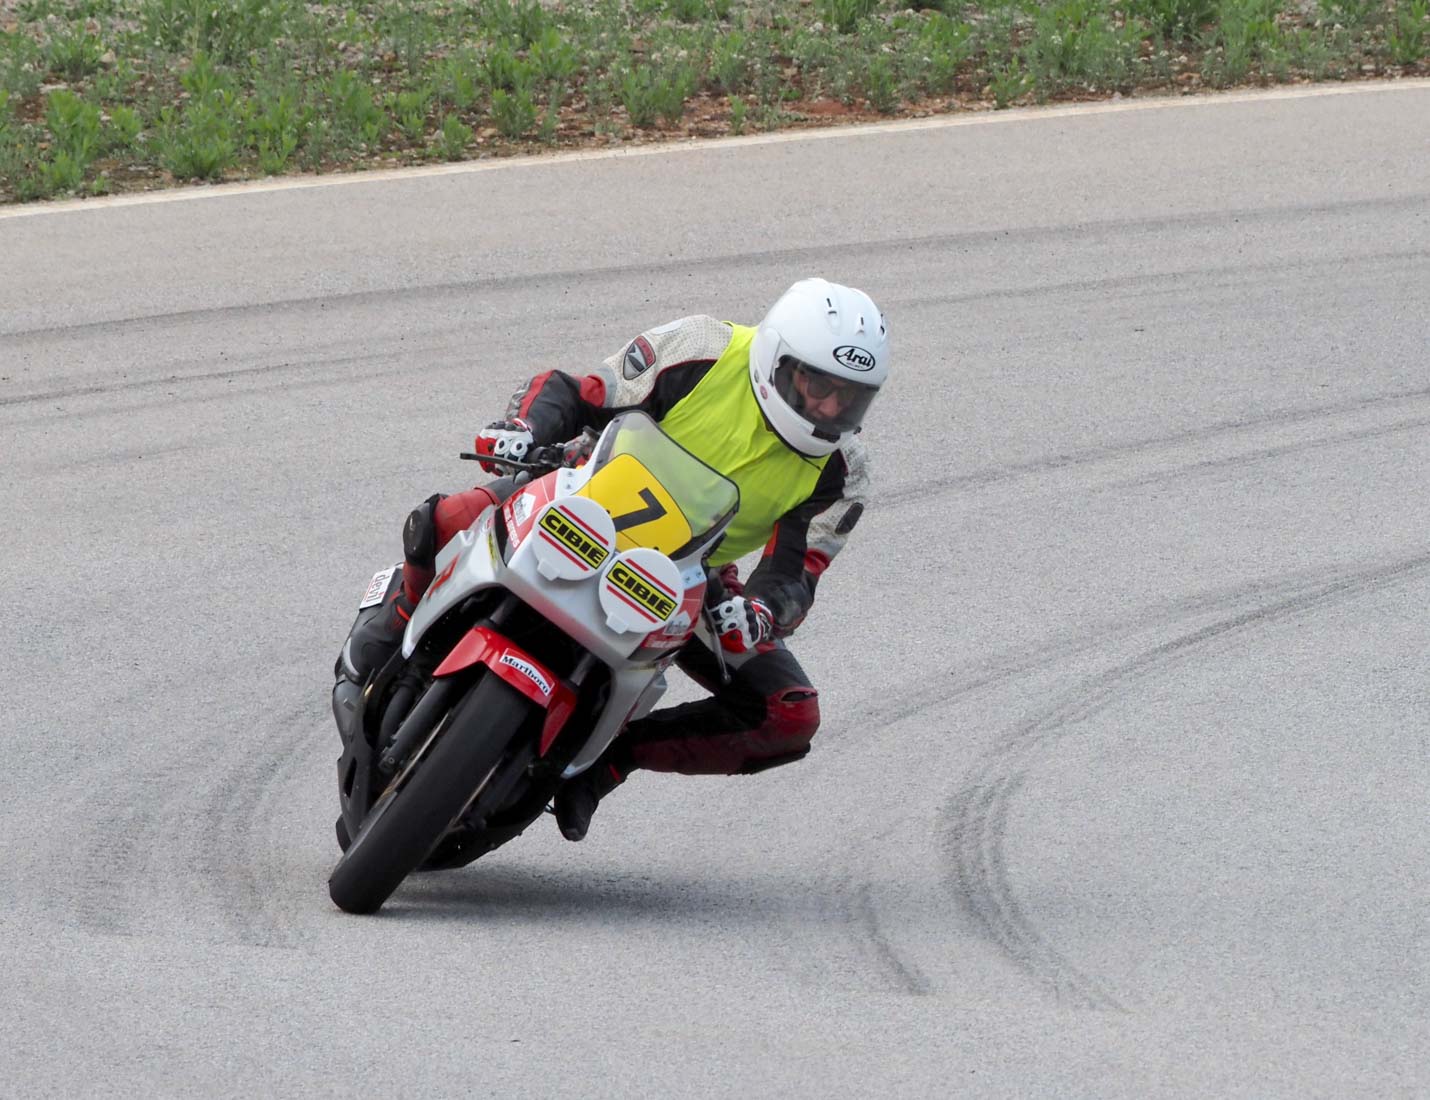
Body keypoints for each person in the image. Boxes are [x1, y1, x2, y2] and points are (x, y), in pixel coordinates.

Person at [344, 278, 888, 841]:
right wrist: (524, 429)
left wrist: (760, 609)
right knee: (443, 517)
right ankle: (399, 619)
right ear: (776, 357)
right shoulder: (704, 347)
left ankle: (605, 762)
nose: (830, 407)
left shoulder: (844, 472)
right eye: (817, 384)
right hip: (584, 492)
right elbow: (581, 391)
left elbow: (794, 572)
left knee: (788, 714)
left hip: (690, 571)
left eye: (850, 397)